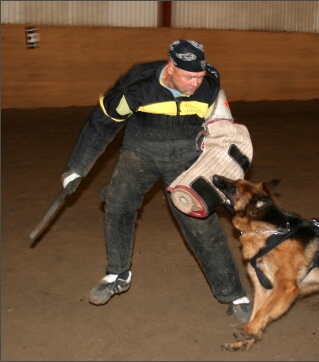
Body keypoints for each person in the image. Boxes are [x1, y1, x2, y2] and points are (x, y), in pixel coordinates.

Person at [61, 39, 253, 323]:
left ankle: (234, 294)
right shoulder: (137, 85)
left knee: (202, 224)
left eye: (200, 77)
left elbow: (218, 117)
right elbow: (103, 121)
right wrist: (77, 167)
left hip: (186, 154)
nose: (195, 84)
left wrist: (224, 143)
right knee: (118, 202)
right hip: (141, 151)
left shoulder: (209, 83)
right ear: (171, 66)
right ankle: (117, 274)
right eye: (189, 77)